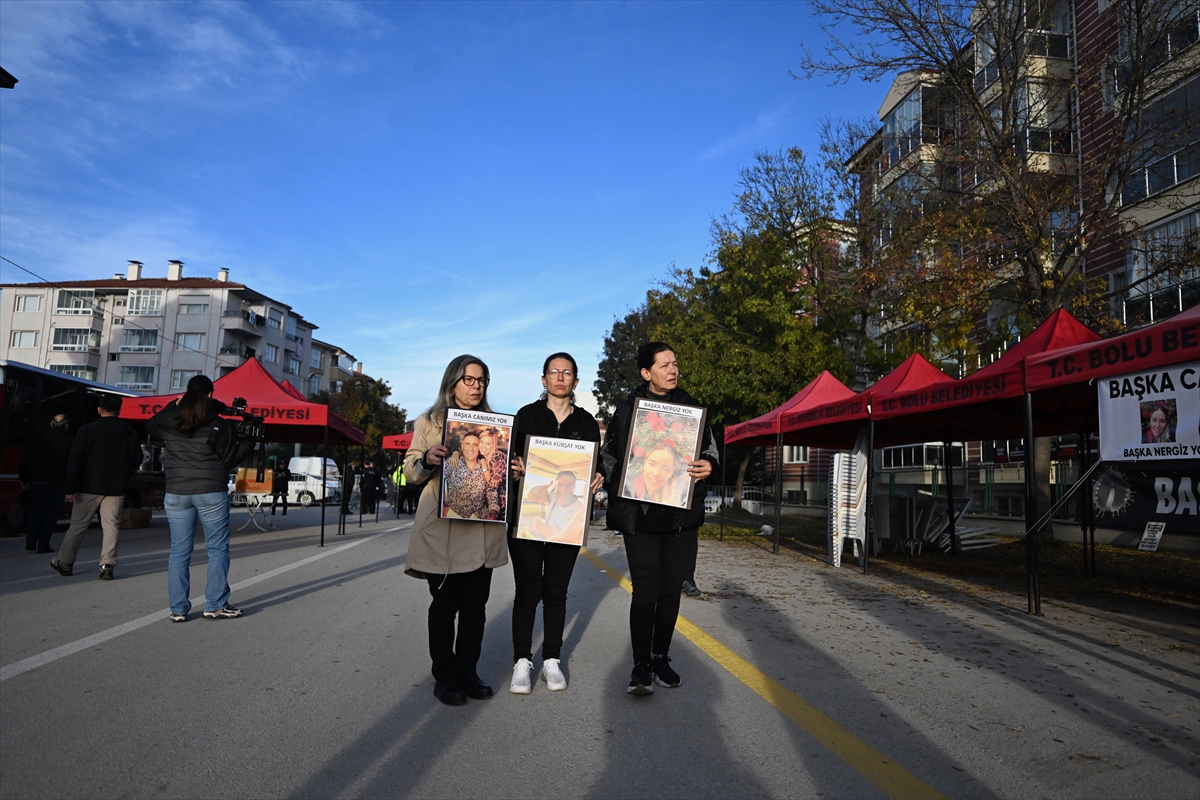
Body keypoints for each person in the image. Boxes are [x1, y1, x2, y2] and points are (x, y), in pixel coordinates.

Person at [601, 342, 718, 695]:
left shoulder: (693, 408)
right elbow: (608, 456)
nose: (673, 369)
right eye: (664, 364)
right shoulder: (627, 410)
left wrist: (710, 465)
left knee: (671, 593)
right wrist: (615, 478)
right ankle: (640, 665)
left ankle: (660, 656)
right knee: (646, 592)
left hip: (680, 517)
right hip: (641, 517)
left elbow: (711, 450)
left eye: (675, 363)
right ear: (646, 372)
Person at [404, 355, 508, 706]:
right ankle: (445, 676)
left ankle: (468, 671)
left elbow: (501, 476)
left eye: (481, 380)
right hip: (443, 530)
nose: (476, 385)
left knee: (476, 607)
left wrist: (515, 469)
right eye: (469, 379)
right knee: (444, 606)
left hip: (481, 530)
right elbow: (410, 472)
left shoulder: (496, 429)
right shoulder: (429, 423)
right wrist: (425, 460)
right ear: (452, 382)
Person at [507, 352, 602, 694]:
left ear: (576, 381)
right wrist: (515, 466)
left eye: (567, 373)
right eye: (554, 372)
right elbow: (508, 459)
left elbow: (596, 465)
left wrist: (599, 475)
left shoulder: (588, 423)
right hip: (527, 520)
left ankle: (551, 659)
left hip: (569, 523)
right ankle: (521, 661)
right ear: (543, 379)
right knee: (527, 592)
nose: (560, 378)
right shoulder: (526, 416)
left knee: (557, 593)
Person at [147, 375, 253, 622]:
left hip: (176, 492)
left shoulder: (171, 420)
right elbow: (229, 460)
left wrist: (173, 405)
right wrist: (249, 442)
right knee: (216, 549)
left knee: (179, 551)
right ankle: (215, 604)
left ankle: (178, 609)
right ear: (210, 395)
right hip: (210, 491)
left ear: (184, 394)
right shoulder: (217, 423)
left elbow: (151, 425)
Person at [50, 396, 143, 580]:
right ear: (119, 410)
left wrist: (70, 486)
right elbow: (137, 460)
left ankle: (65, 561)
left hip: (88, 486)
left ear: (99, 410)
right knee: (111, 526)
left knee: (78, 525)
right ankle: (107, 565)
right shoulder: (130, 432)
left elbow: (75, 459)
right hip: (117, 487)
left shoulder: (88, 430)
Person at [19, 413, 72, 554]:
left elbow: (27, 459)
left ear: (51, 424)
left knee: (36, 511)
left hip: (37, 481)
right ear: (66, 426)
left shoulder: (37, 438)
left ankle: (31, 538)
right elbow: (71, 465)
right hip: (57, 483)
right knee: (51, 514)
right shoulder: (69, 441)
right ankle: (43, 544)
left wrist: (24, 478)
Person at [442, 432, 491, 519]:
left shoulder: (486, 466)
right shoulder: (453, 463)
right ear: (462, 446)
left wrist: (493, 512)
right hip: (455, 517)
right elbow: (436, 483)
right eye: (467, 444)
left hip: (481, 518)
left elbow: (492, 490)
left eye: (475, 445)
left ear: (479, 448)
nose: (471, 448)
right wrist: (443, 508)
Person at [622, 444, 687, 505]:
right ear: (645, 463)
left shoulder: (679, 498)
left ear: (672, 473)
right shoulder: (626, 489)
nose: (656, 473)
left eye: (666, 469)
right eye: (652, 464)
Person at [478, 428, 508, 520]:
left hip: (502, 505)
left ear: (493, 445)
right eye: (481, 442)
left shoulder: (497, 457)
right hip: (492, 502)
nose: (483, 446)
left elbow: (492, 486)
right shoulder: (483, 457)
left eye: (488, 444)